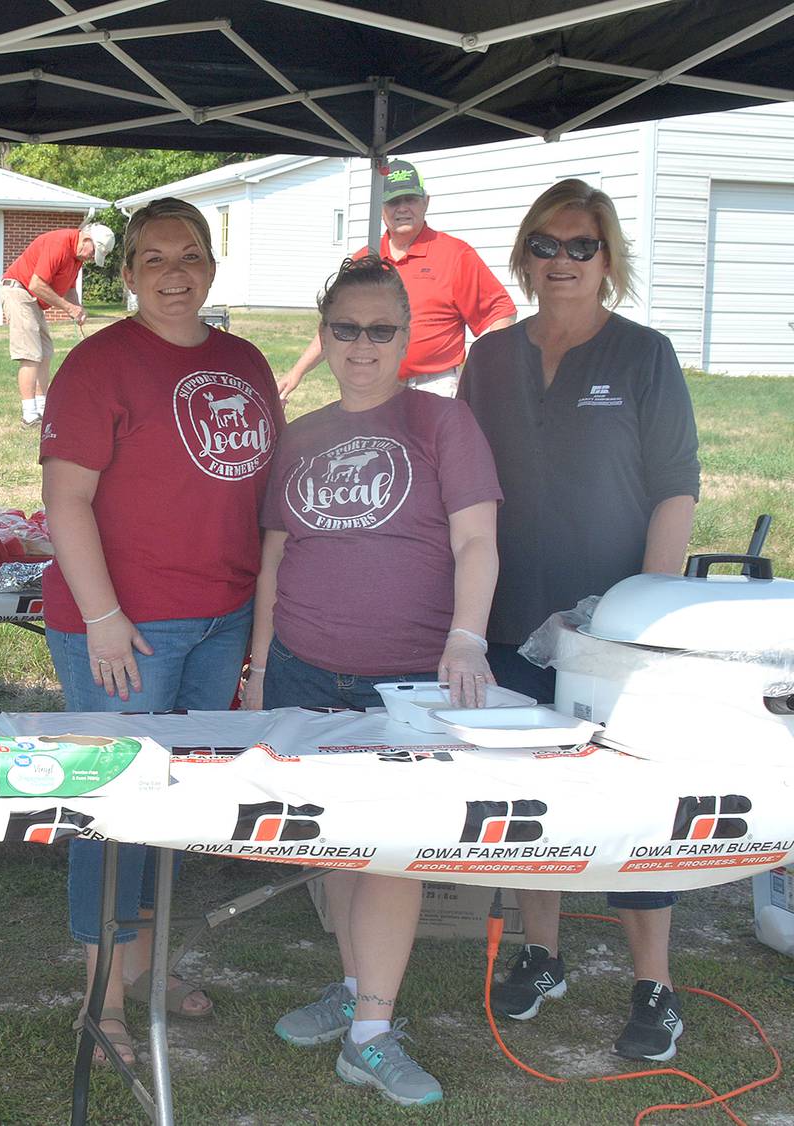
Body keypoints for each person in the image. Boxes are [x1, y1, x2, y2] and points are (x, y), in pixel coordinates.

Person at [244, 256, 502, 1107]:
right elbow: (275, 560)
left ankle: (370, 1036)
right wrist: (259, 669)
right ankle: (357, 989)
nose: (363, 344)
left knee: (392, 850)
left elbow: (476, 540)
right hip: (303, 667)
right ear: (323, 337)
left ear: (407, 335)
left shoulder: (442, 422)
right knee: (335, 842)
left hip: (408, 679)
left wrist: (467, 637)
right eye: (346, 328)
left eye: (381, 329)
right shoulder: (300, 435)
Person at [458, 179, 700, 1062]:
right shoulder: (489, 358)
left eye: (581, 246)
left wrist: (644, 616)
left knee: (632, 798)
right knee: (532, 794)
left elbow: (675, 490)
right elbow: (465, 487)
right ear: (524, 255)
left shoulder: (644, 354)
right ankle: (541, 952)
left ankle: (654, 985)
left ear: (607, 259)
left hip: (613, 628)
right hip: (509, 617)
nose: (561, 261)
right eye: (546, 245)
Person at [41, 197, 282, 1067]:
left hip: (221, 618)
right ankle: (101, 998)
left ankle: (147, 965)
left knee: (176, 803)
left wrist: (256, 633)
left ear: (211, 266)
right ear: (128, 273)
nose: (174, 275)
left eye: (190, 257)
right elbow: (64, 500)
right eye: (154, 259)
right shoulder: (98, 364)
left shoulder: (245, 361)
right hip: (126, 628)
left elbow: (260, 498)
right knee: (114, 805)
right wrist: (104, 619)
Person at [276, 159, 516, 401]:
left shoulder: (455, 255)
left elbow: (500, 312)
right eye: (393, 201)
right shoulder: (366, 259)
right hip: (374, 383)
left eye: (410, 199)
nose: (402, 208)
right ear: (381, 208)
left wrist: (487, 368)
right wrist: (297, 372)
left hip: (434, 386)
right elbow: (338, 324)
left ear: (426, 202)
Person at [1, 221, 116, 425]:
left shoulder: (77, 258)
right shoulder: (59, 244)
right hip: (18, 291)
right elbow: (36, 284)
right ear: (87, 239)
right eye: (93, 252)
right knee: (30, 354)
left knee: (45, 352)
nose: (91, 258)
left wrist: (77, 308)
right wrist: (68, 308)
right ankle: (29, 414)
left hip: (33, 298)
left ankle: (43, 408)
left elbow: (70, 289)